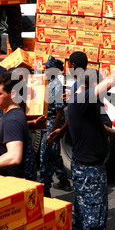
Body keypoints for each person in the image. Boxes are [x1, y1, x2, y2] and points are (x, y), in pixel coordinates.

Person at [68, 64, 115, 230]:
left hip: (89, 169)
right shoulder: (82, 100)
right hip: (88, 171)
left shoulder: (86, 104)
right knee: (94, 225)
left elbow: (98, 125)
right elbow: (110, 83)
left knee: (81, 218)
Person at [38, 56, 71, 198]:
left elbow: (58, 113)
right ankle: (63, 180)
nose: (45, 70)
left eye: (48, 68)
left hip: (52, 124)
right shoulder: (49, 82)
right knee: (54, 155)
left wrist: (52, 134)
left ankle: (45, 190)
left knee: (45, 157)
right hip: (47, 122)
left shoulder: (56, 85)